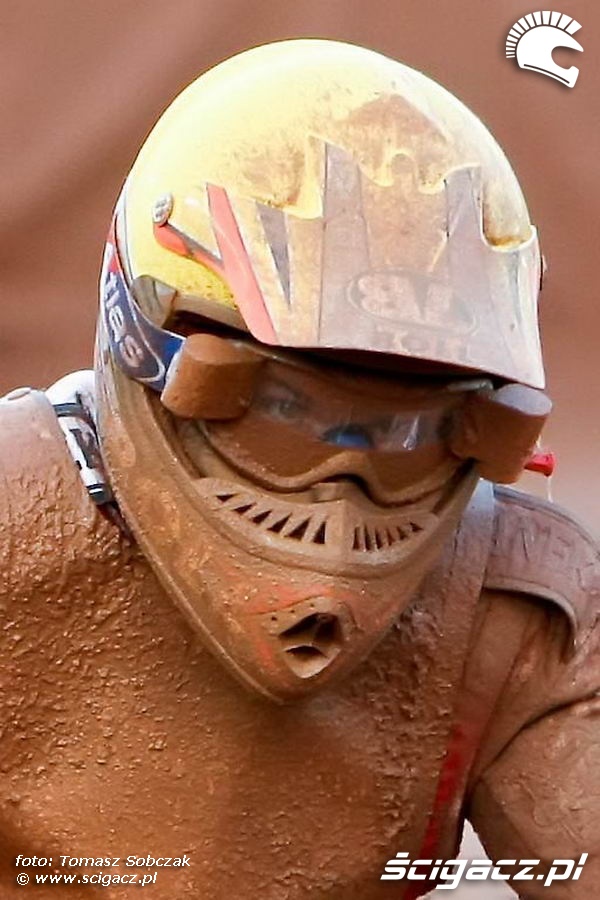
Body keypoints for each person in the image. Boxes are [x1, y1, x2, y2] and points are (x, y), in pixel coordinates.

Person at [1, 39, 598, 898]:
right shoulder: (16, 523)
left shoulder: (516, 607)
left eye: (411, 431)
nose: (342, 498)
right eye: (287, 413)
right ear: (153, 351)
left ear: (483, 426)